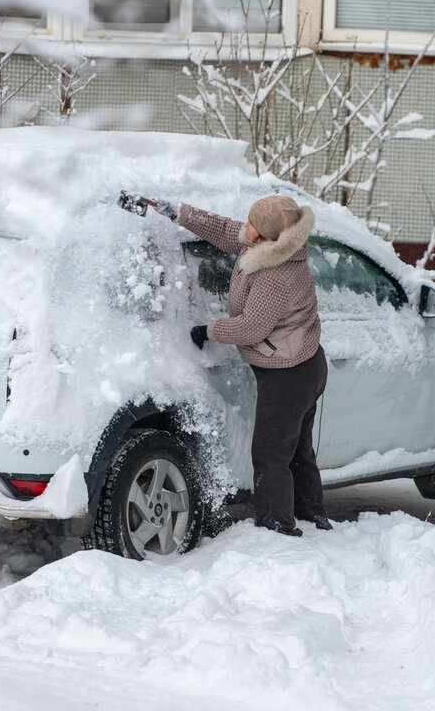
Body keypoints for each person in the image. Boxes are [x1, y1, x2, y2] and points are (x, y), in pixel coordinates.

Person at [141, 194, 330, 537]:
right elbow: (226, 230)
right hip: (304, 362)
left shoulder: (276, 274)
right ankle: (311, 515)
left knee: (271, 454)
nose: (245, 227)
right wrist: (179, 212)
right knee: (297, 449)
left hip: (290, 373)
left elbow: (251, 327)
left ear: (268, 237)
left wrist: (207, 329)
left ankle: (277, 527)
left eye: (253, 224)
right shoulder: (272, 245)